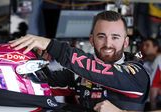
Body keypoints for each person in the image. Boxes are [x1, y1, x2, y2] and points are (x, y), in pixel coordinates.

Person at [9, 11, 150, 111]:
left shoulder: (136, 74)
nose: (108, 44)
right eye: (101, 36)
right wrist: (33, 61)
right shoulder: (78, 74)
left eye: (115, 37)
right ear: (91, 40)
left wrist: (52, 46)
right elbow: (38, 84)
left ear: (125, 42)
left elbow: (103, 71)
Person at [141, 38, 161, 110]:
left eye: (147, 45)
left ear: (156, 47)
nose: (144, 47)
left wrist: (153, 108)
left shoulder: (159, 60)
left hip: (155, 102)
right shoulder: (146, 62)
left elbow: (154, 86)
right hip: (146, 100)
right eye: (143, 45)